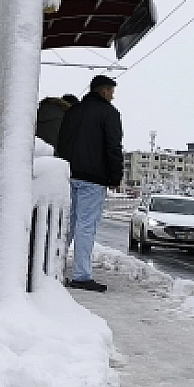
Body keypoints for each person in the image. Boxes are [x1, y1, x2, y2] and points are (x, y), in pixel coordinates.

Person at [54, 74, 123, 293]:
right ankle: (81, 275)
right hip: (93, 179)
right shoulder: (109, 113)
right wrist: (115, 177)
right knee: (86, 226)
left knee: (67, 225)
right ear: (103, 91)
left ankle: (52, 268)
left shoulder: (73, 111)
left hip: (69, 174)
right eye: (111, 91)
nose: (112, 96)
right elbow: (113, 147)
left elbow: (62, 141)